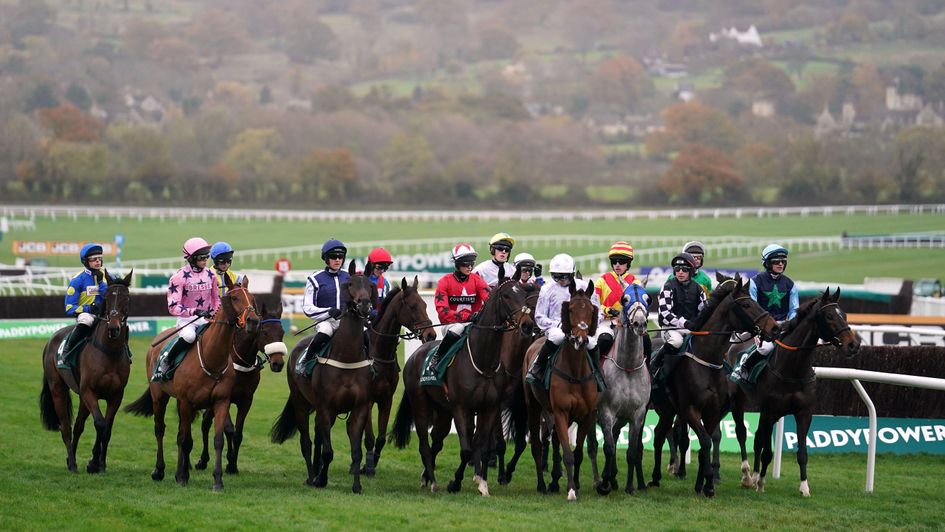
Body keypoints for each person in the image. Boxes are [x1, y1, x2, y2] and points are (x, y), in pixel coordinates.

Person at [526, 253, 604, 384]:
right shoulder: (547, 289)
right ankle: (537, 367)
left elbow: (598, 313)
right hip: (556, 328)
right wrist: (559, 325)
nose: (559, 279)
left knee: (592, 343)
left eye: (563, 276)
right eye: (555, 276)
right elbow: (539, 316)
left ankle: (599, 372)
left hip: (582, 328)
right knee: (557, 337)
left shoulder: (585, 287)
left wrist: (587, 326)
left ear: (572, 274)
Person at [731, 244, 799, 383]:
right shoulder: (755, 282)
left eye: (783, 261)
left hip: (783, 326)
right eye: (776, 261)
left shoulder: (790, 284)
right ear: (767, 263)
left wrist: (789, 325)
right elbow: (752, 308)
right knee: (766, 348)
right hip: (762, 327)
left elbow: (794, 310)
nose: (780, 264)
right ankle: (744, 367)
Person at [154, 237, 221, 380]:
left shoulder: (211, 275)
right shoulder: (178, 277)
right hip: (187, 320)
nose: (205, 260)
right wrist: (194, 311)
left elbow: (216, 299)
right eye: (201, 257)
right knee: (190, 337)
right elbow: (173, 307)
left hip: (207, 319)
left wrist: (214, 314)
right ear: (191, 258)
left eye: (207, 257)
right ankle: (167, 359)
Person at [426, 243, 490, 374]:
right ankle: (438, 357)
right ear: (457, 263)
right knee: (458, 328)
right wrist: (468, 317)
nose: (470, 267)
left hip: (474, 323)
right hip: (450, 325)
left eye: (471, 263)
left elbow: (488, 299)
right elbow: (443, 312)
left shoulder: (477, 280)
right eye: (466, 264)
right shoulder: (444, 282)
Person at [652, 253, 706, 384]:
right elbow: (665, 314)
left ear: (691, 271)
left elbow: (705, 310)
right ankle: (655, 370)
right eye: (677, 269)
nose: (680, 272)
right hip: (671, 329)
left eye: (685, 270)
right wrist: (685, 323)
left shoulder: (698, 289)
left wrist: (697, 323)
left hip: (691, 328)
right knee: (676, 342)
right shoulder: (668, 287)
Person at [300, 238, 351, 362]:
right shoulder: (314, 279)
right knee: (326, 330)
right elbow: (307, 308)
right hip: (325, 321)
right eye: (334, 256)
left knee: (365, 332)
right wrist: (328, 311)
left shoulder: (349, 276)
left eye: (341, 256)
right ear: (326, 258)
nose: (338, 259)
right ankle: (306, 361)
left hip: (346, 320)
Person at [594, 241, 646, 358]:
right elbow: (595, 304)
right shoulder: (602, 280)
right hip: (607, 323)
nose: (617, 265)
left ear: (628, 264)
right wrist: (609, 311)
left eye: (621, 261)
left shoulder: (635, 282)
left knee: (646, 341)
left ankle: (650, 370)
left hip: (630, 324)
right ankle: (595, 372)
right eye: (614, 261)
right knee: (604, 340)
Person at [61, 243, 108, 358]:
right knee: (86, 320)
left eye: (99, 259)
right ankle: (68, 350)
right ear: (86, 262)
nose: (98, 262)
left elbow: (108, 296)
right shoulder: (77, 280)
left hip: (105, 314)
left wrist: (101, 282)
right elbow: (69, 308)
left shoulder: (107, 276)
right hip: (86, 315)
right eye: (94, 259)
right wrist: (89, 308)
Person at [366, 247, 393, 316]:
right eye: (379, 267)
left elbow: (386, 306)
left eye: (385, 268)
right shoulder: (360, 279)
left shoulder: (386, 284)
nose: (382, 271)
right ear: (371, 265)